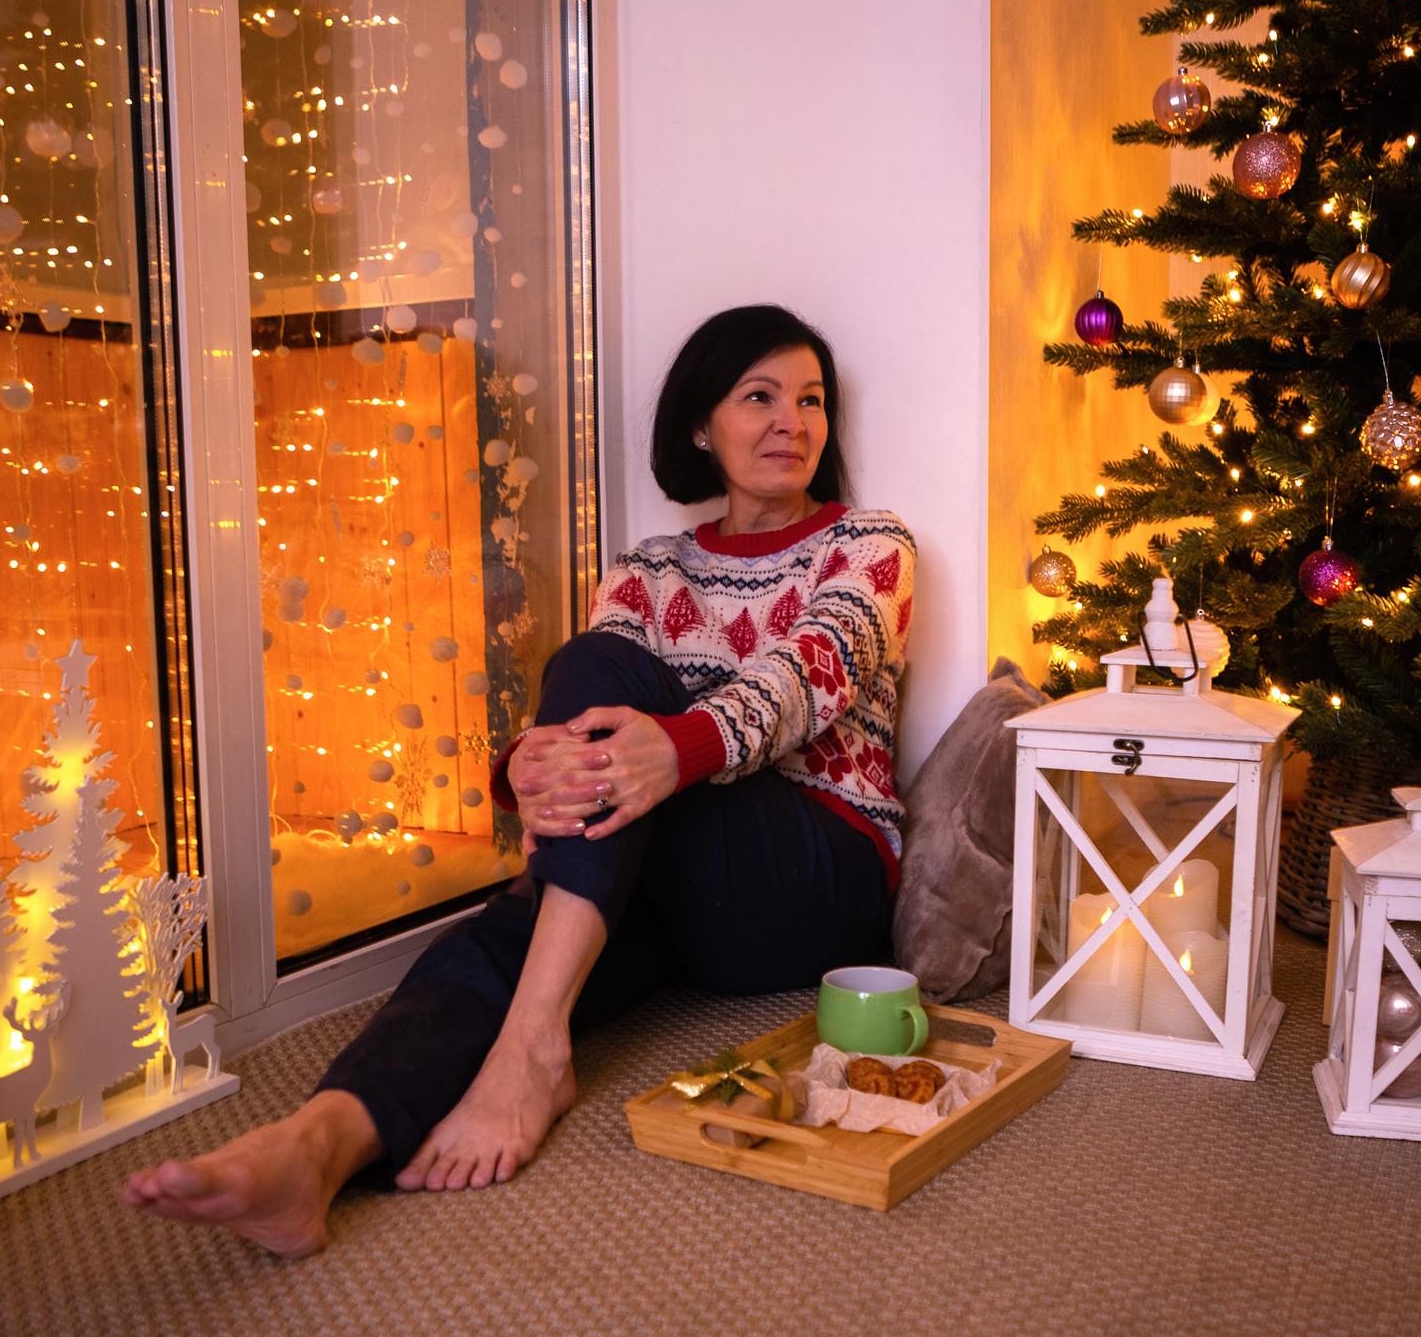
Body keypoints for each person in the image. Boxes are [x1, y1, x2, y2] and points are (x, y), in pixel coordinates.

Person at [123, 304, 916, 1255]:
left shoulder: (871, 545)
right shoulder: (648, 568)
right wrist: (529, 765)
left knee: (599, 688)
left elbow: (803, 678)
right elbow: (592, 712)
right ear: (701, 427)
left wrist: (673, 748)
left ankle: (534, 1052)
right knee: (509, 928)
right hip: (673, 881)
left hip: (812, 877)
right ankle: (318, 1144)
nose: (793, 421)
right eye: (760, 397)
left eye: (811, 400)